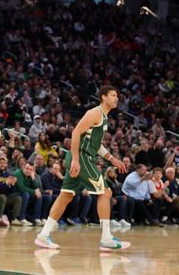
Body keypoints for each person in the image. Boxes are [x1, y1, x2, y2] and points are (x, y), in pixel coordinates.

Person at [35, 86, 130, 251]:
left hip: (82, 156)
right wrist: (76, 160)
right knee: (105, 193)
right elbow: (76, 132)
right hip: (83, 157)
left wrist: (112, 158)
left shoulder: (104, 117)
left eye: (117, 95)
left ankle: (43, 235)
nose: (117, 98)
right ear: (103, 97)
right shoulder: (95, 113)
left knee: (66, 195)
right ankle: (106, 239)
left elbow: (96, 144)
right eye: (113, 95)